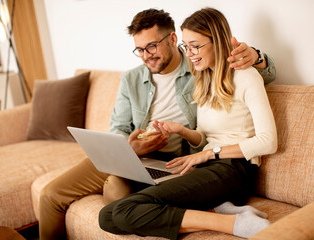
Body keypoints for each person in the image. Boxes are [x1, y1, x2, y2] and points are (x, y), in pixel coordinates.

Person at [39, 8, 276, 240]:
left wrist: (257, 56)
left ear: (172, 39)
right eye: (139, 49)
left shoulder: (197, 69)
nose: (146, 55)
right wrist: (134, 145)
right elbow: (120, 127)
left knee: (118, 200)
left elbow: (251, 76)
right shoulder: (142, 78)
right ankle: (217, 210)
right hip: (136, 155)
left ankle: (227, 218)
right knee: (55, 196)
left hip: (186, 161)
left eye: (151, 46)